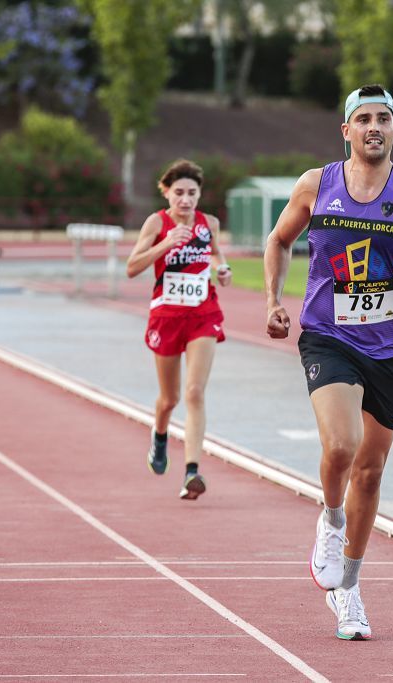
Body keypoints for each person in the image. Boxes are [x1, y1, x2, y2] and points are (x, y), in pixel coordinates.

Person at [263, 84, 393, 640]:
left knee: (369, 471)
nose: (374, 126)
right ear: (346, 130)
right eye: (363, 118)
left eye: (383, 119)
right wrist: (274, 300)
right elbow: (278, 242)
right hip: (328, 335)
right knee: (341, 445)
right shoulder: (315, 185)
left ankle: (348, 589)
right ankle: (329, 519)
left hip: (391, 346)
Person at [127, 159, 233, 500]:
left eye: (192, 193)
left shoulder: (209, 224)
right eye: (179, 193)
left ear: (200, 194)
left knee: (194, 392)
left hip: (203, 313)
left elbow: (215, 254)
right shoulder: (156, 222)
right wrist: (166, 243)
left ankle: (192, 471)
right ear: (167, 193)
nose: (185, 200)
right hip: (167, 316)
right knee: (170, 398)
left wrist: (223, 268)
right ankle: (159, 435)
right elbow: (132, 267)